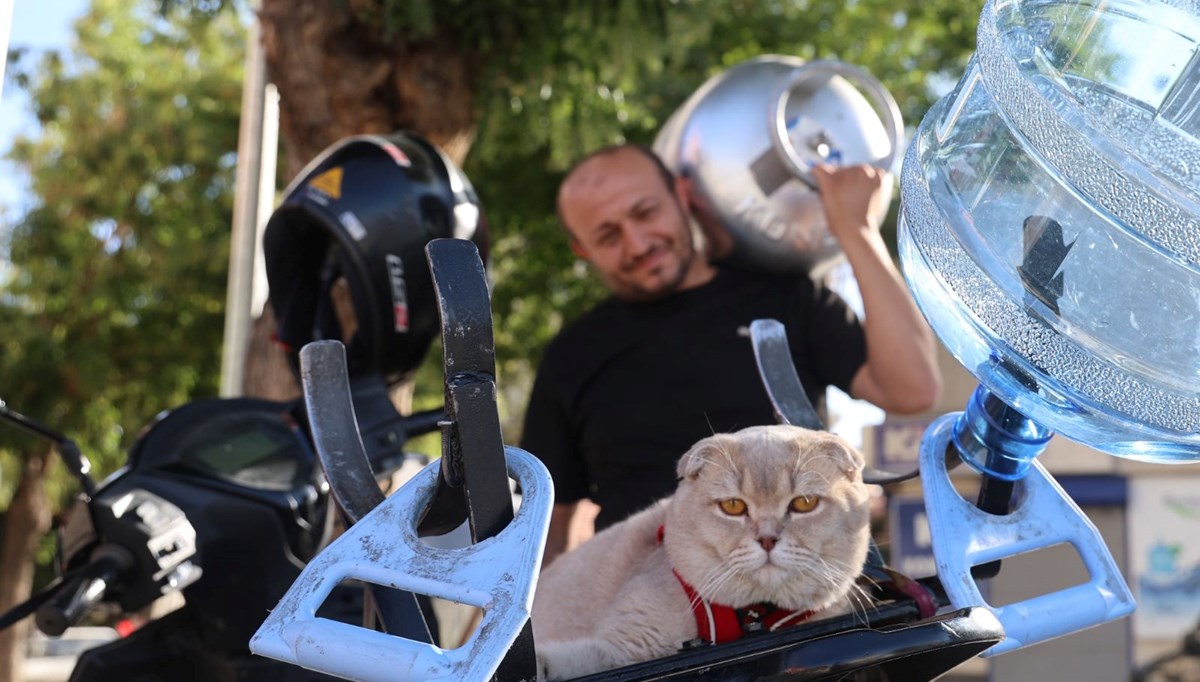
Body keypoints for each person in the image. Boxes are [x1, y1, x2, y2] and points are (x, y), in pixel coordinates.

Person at [521, 143, 940, 565]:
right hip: (645, 608)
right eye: (608, 236)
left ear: (683, 195)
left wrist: (857, 230)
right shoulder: (571, 355)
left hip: (797, 583)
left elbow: (911, 389)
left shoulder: (785, 298)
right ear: (582, 250)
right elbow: (550, 532)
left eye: (646, 212)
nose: (638, 243)